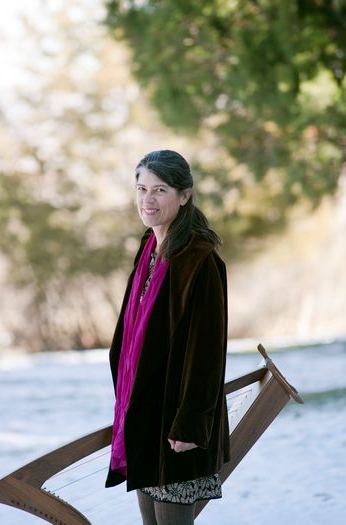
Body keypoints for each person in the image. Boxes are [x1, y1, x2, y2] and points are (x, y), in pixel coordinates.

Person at [105, 150, 229, 525]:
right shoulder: (149, 249)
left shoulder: (199, 259)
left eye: (160, 190)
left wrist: (190, 423)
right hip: (146, 417)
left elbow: (206, 352)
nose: (148, 200)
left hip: (179, 425)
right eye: (142, 188)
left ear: (185, 195)